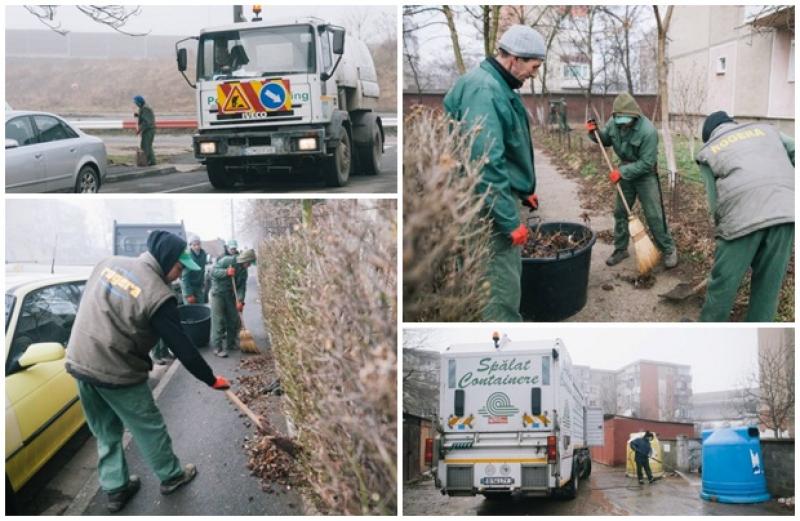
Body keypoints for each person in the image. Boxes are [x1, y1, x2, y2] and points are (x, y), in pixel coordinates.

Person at [65, 231, 231, 513]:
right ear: (167, 260)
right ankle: (172, 475)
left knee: (105, 430)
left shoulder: (108, 262)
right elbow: (184, 349)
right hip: (116, 369)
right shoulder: (159, 295)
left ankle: (115, 489)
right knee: (149, 427)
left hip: (79, 361)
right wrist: (211, 379)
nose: (179, 276)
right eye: (179, 268)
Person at [443, 24, 545, 322]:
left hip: (481, 202)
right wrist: (509, 220)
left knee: (481, 283)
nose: (534, 74)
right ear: (514, 58)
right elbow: (485, 162)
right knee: (500, 293)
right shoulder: (485, 90)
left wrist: (524, 189)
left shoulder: (491, 84)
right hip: (485, 211)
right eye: (533, 66)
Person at [695, 111, 794, 321]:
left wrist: (723, 235)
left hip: (740, 215)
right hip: (786, 211)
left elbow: (714, 201)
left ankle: (708, 326)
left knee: (723, 284)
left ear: (710, 134)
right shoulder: (767, 130)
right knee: (768, 286)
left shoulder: (709, 150)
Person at [586, 93, 678, 269]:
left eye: (625, 118)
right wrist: (594, 132)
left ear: (634, 115)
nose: (622, 121)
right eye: (619, 118)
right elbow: (605, 139)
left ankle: (668, 249)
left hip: (645, 175)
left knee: (654, 215)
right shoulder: (615, 122)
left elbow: (647, 163)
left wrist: (622, 172)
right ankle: (620, 249)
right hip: (625, 174)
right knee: (620, 213)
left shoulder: (648, 131)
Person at [210, 248, 256, 358]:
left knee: (233, 318)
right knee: (219, 319)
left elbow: (241, 287)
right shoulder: (227, 261)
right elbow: (213, 272)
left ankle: (231, 343)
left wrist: (240, 300)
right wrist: (225, 272)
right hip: (218, 294)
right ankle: (217, 347)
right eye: (249, 263)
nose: (249, 266)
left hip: (231, 295)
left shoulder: (244, 272)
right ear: (244, 260)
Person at [181, 236, 208, 304]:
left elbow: (203, 270)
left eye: (198, 244)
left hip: (198, 287)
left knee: (201, 308)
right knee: (190, 310)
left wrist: (202, 283)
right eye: (194, 245)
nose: (197, 247)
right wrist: (188, 294)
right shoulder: (187, 256)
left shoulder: (203, 254)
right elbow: (184, 277)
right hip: (189, 286)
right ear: (190, 245)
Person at [133, 95, 156, 166]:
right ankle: (152, 162)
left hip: (149, 130)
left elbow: (146, 122)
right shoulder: (142, 108)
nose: (135, 104)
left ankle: (147, 161)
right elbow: (143, 116)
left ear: (139, 102)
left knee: (145, 146)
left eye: (136, 102)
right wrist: (138, 115)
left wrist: (139, 130)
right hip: (147, 130)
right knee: (148, 146)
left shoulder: (145, 108)